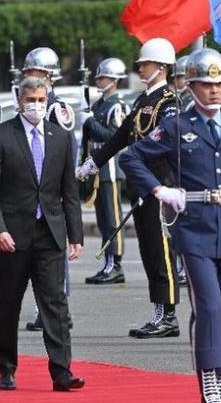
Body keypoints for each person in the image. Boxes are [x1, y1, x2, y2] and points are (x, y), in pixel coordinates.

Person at [121, 48, 221, 403]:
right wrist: (161, 190)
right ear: (191, 86)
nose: (215, 90)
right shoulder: (177, 126)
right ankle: (209, 377)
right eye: (206, 84)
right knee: (209, 305)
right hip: (195, 229)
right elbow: (132, 157)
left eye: (219, 83)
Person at [0, 76, 85, 393]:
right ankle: (7, 368)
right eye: (30, 99)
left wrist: (75, 235)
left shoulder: (61, 138)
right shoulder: (0, 135)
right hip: (12, 237)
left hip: (49, 233)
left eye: (41, 99)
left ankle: (62, 371)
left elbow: (69, 191)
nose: (36, 105)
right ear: (19, 99)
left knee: (55, 304)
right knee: (9, 304)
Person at [77, 37, 181, 339]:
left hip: (159, 185)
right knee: (149, 250)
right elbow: (122, 136)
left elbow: (161, 144)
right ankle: (159, 311)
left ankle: (168, 314)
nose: (140, 67)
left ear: (160, 67)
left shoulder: (168, 102)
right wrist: (94, 161)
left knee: (161, 251)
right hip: (140, 186)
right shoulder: (142, 100)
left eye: (145, 63)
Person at [18, 47, 76, 331]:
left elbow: (65, 147)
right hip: (32, 189)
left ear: (48, 76)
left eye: (35, 72)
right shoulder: (30, 103)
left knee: (55, 251)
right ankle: (45, 308)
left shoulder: (55, 107)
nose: (29, 76)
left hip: (52, 188)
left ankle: (59, 308)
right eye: (27, 72)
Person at [79, 58, 130, 285]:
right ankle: (108, 262)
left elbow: (114, 137)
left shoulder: (117, 106)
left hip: (110, 167)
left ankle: (115, 264)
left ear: (115, 80)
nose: (99, 81)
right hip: (96, 167)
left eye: (104, 77)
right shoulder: (100, 104)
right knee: (103, 219)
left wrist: (90, 122)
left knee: (112, 218)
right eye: (99, 77)